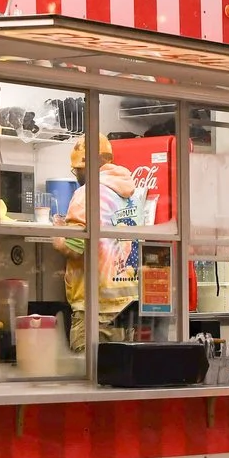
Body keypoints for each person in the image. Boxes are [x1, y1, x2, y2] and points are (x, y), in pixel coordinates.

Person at [58, 138, 144, 345]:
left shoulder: (85, 195)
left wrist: (58, 234)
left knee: (89, 375)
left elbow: (74, 248)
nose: (76, 175)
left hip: (94, 309)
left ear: (84, 166)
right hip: (126, 310)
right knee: (118, 373)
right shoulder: (133, 194)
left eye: (75, 170)